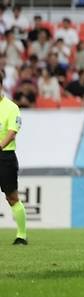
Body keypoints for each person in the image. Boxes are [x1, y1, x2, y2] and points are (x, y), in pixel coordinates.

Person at [0, 75, 27, 244]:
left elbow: (12, 131)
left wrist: (0, 145)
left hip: (5, 157)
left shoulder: (11, 108)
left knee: (12, 197)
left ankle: (21, 235)